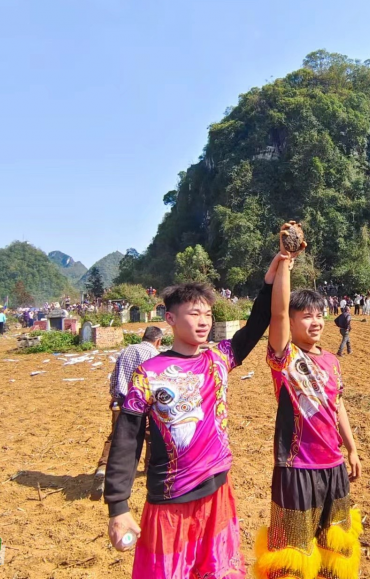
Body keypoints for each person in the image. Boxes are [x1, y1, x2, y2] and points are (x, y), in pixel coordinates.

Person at [104, 248, 289, 579]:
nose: (204, 321)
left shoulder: (219, 358)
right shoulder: (148, 373)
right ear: (171, 319)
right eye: (194, 314)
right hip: (170, 501)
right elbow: (127, 439)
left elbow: (257, 324)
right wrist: (117, 507)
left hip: (217, 493)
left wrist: (270, 280)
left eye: (208, 314)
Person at [255, 256, 362, 579]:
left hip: (333, 466)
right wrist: (286, 263)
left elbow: (338, 405)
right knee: (293, 552)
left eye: (319, 316)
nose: (315, 322)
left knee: (334, 548)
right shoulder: (286, 358)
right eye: (305, 316)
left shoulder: (331, 360)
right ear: (291, 320)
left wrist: (352, 448)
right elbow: (276, 313)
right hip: (296, 467)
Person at [91, 326, 164, 500]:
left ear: (143, 337)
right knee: (151, 436)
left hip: (122, 401)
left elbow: (115, 377)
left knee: (115, 437)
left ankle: (103, 467)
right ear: (158, 341)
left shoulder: (126, 351)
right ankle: (148, 469)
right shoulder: (155, 356)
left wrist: (115, 398)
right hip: (144, 404)